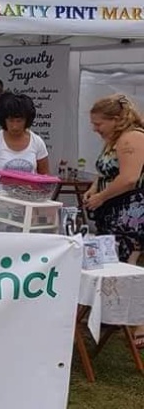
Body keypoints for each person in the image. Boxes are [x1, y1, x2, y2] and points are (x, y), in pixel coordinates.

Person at [84, 94, 144, 350]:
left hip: (131, 213)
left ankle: (138, 323)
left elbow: (129, 178)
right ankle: (113, 316)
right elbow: (107, 171)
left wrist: (101, 197)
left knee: (127, 267)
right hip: (113, 212)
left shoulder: (133, 138)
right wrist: (93, 187)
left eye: (99, 124)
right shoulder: (114, 139)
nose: (95, 128)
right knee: (113, 264)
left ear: (116, 119)